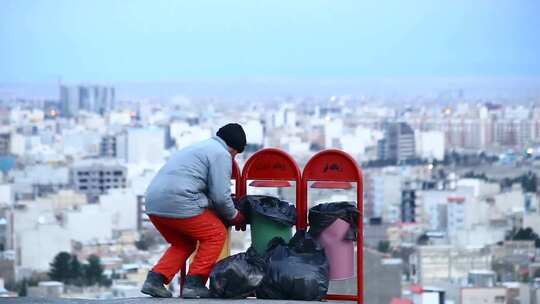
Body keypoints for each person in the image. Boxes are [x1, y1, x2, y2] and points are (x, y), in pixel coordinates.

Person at [140, 123, 247, 298]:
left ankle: (155, 280)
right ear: (234, 148)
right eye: (236, 154)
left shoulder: (200, 147)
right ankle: (194, 283)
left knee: (184, 242)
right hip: (179, 201)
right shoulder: (221, 154)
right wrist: (235, 216)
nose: (234, 158)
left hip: (154, 203)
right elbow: (220, 196)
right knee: (216, 234)